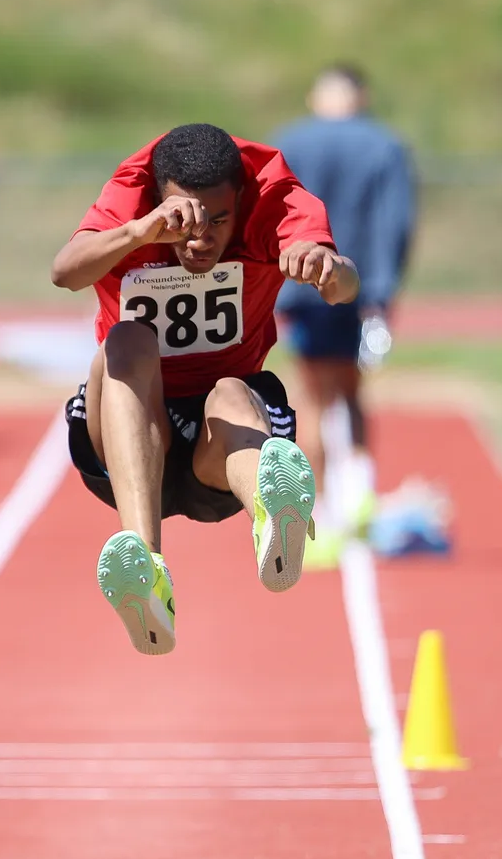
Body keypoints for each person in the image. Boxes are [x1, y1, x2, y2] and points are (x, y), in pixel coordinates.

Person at [51, 123, 358, 656]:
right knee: (125, 340)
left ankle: (270, 508)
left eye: (219, 221)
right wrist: (141, 233)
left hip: (217, 449)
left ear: (242, 200)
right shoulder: (131, 195)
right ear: (158, 196)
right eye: (189, 221)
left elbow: (347, 285)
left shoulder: (274, 195)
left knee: (234, 391)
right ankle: (145, 568)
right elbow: (65, 273)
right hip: (132, 433)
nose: (201, 239)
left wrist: (327, 266)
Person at [271, 66, 416, 545]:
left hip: (300, 282)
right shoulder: (384, 144)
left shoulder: (288, 141)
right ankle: (356, 498)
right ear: (362, 96)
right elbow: (395, 221)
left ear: (316, 96)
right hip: (358, 284)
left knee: (311, 395)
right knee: (351, 393)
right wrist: (384, 287)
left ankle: (321, 512)